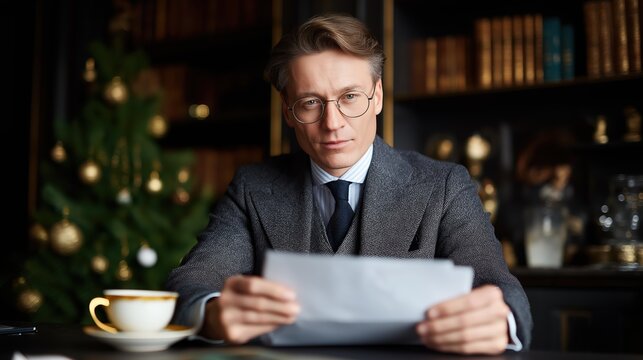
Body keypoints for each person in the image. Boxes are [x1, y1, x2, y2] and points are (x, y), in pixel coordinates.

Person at [166, 13, 532, 355]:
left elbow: (502, 290)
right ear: (287, 110)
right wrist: (213, 313)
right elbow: (191, 283)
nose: (332, 123)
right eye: (311, 103)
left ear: (378, 97)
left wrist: (500, 319)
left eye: (350, 97)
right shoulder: (252, 186)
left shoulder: (445, 185)